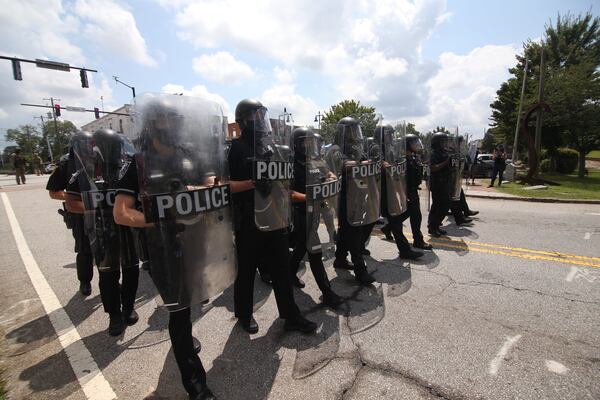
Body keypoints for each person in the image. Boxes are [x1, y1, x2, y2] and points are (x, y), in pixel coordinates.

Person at [115, 95, 232, 400]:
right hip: (162, 248)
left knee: (190, 300)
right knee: (179, 312)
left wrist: (203, 187)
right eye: (165, 120)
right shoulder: (138, 164)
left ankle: (185, 339)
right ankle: (195, 384)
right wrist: (158, 222)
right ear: (152, 124)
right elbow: (122, 212)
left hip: (196, 242)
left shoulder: (188, 154)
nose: (172, 126)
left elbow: (210, 182)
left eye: (176, 121)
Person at [228, 98, 317, 334]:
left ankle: (290, 314)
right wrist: (252, 183)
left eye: (262, 115)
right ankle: (244, 314)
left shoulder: (269, 148)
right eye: (255, 116)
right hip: (248, 220)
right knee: (246, 271)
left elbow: (281, 183)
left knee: (280, 269)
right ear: (244, 120)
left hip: (274, 217)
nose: (260, 120)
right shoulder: (236, 148)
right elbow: (225, 186)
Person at [67, 129, 139, 337]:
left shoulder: (127, 169)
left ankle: (128, 307)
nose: (112, 152)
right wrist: (98, 208)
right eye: (108, 147)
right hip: (101, 230)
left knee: (132, 269)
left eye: (115, 147)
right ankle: (114, 315)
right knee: (108, 274)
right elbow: (71, 202)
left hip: (128, 230)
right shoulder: (83, 172)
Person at [289, 127, 343, 307]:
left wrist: (330, 177)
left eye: (311, 141)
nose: (310, 145)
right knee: (315, 252)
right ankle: (327, 293)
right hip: (300, 212)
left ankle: (288, 273)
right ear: (297, 144)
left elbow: (329, 173)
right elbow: (287, 193)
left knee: (301, 247)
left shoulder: (315, 160)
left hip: (315, 210)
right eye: (306, 141)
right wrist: (309, 197)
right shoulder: (290, 164)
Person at [332, 117, 377, 284]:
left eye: (356, 129)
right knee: (354, 231)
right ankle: (360, 269)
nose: (355, 133)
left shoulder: (357, 148)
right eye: (352, 129)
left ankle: (340, 259)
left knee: (346, 229)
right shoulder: (336, 148)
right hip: (343, 195)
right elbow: (341, 165)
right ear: (343, 131)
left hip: (358, 194)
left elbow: (365, 163)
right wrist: (360, 163)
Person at [46, 137, 93, 296]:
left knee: (107, 248)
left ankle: (111, 281)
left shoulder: (102, 161)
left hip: (102, 212)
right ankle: (85, 281)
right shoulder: (66, 164)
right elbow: (54, 192)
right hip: (79, 213)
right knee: (84, 248)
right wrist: (72, 198)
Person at [378, 126, 424, 259]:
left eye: (392, 134)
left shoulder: (392, 150)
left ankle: (403, 248)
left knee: (396, 219)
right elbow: (379, 163)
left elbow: (397, 169)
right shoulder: (376, 149)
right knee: (387, 221)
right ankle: (348, 249)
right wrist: (383, 163)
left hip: (392, 188)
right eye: (389, 135)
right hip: (382, 189)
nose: (392, 137)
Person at [427, 132, 451, 237]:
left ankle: (435, 226)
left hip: (445, 182)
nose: (445, 143)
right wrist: (446, 162)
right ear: (437, 142)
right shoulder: (433, 154)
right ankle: (433, 226)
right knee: (440, 205)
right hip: (437, 183)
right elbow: (433, 168)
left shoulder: (445, 152)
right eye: (443, 141)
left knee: (440, 205)